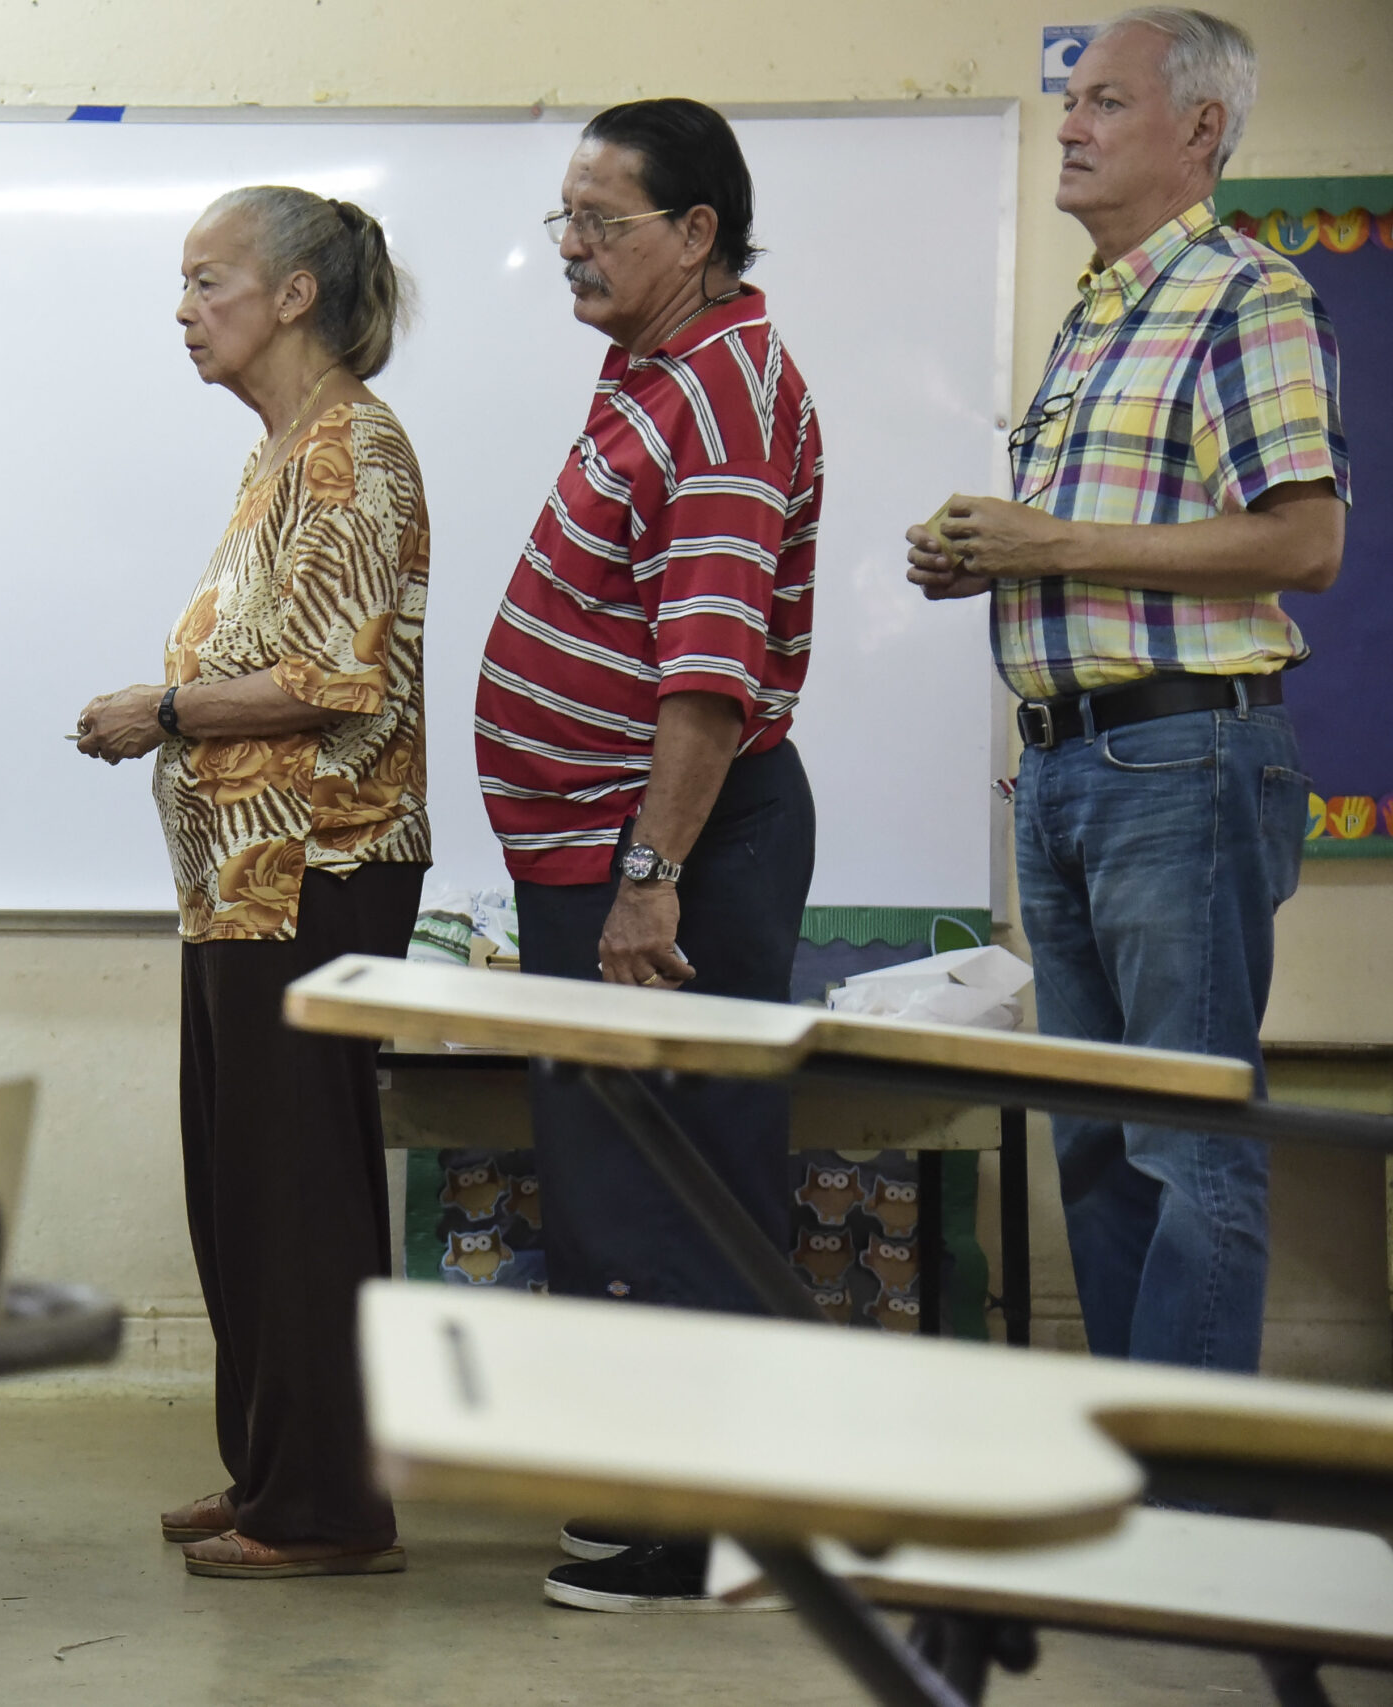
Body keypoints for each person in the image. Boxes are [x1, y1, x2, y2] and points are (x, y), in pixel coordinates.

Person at [907, 10, 1345, 1374]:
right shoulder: (1099, 308)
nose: (1071, 126)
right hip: (1063, 768)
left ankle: (1191, 1511)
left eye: (1105, 102)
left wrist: (1056, 544)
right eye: (1071, 101)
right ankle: (1126, 1475)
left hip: (1177, 764)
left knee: (1184, 1136)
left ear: (1201, 131)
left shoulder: (1244, 293)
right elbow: (1104, 541)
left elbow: (1304, 541)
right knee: (1094, 1134)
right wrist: (987, 555)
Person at [472, 98, 822, 1612]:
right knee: (617, 1176)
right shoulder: (652, 371)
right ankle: (662, 1503)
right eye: (563, 220)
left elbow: (705, 672)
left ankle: (713, 1530)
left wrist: (648, 872)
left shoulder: (725, 392)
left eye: (601, 222)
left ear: (694, 233)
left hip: (676, 847)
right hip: (611, 846)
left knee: (680, 1178)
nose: (572, 250)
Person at [76, 186, 429, 1581]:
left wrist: (161, 710)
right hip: (243, 879)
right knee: (245, 1188)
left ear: (295, 296)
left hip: (314, 867)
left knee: (303, 1193)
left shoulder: (351, 450)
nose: (184, 309)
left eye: (207, 280)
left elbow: (337, 680)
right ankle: (273, 1471)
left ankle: (333, 1505)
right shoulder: (283, 450)